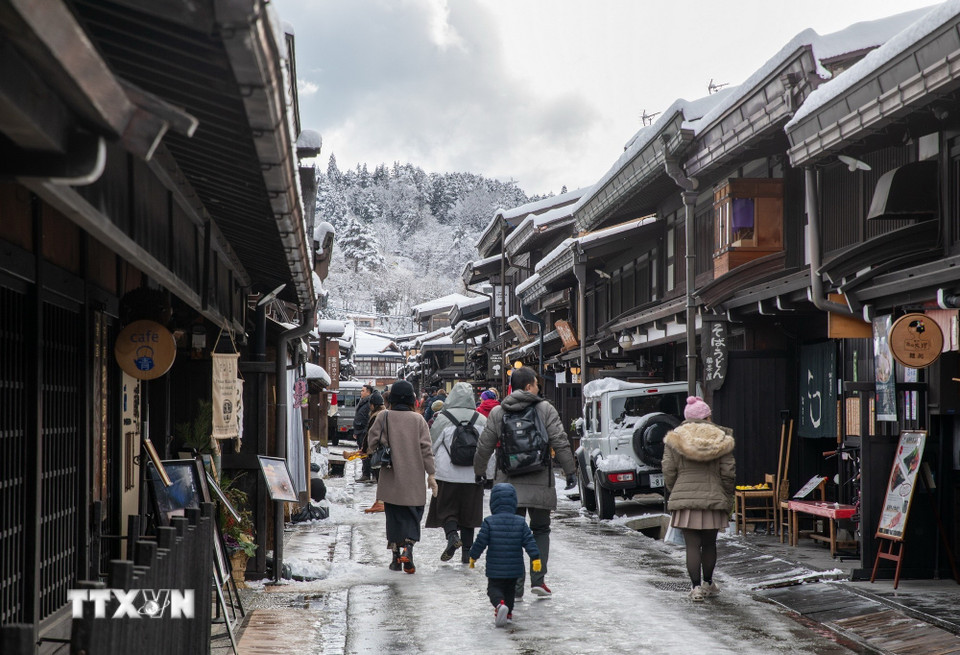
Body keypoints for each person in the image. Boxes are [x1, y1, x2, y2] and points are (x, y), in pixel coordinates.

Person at [473, 367, 576, 600]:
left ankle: (516, 587)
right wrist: (570, 471)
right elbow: (560, 440)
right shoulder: (545, 409)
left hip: (509, 484)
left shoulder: (499, 412)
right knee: (540, 529)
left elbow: (484, 446)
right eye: (537, 384)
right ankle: (538, 580)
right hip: (540, 478)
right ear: (529, 386)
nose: (539, 388)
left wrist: (479, 472)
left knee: (512, 534)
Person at [661, 396, 736, 602]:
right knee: (709, 544)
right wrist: (727, 494)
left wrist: (676, 489)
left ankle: (695, 588)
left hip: (685, 498)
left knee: (692, 545)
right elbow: (728, 471)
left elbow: (668, 469)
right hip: (713, 498)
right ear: (707, 416)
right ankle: (708, 583)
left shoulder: (675, 438)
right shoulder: (720, 437)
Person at [366, 380, 438, 573]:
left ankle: (396, 557)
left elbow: (371, 442)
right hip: (414, 478)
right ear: (412, 400)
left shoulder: (384, 416)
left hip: (390, 477)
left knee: (394, 516)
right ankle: (408, 546)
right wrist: (431, 474)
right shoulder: (418, 420)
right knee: (413, 514)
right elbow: (426, 449)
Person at [426, 382, 495, 563]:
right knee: (469, 515)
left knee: (445, 509)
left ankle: (452, 536)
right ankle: (467, 553)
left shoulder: (443, 418)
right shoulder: (480, 419)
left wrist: (429, 470)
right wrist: (488, 474)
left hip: (446, 475)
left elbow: (431, 446)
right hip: (473, 475)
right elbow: (488, 449)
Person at [468, 483, 541, 627]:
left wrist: (473, 556)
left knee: (493, 589)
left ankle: (500, 605)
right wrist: (536, 558)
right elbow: (529, 541)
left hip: (495, 568)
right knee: (510, 591)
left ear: (493, 503)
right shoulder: (520, 522)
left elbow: (480, 542)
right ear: (514, 502)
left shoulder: (489, 522)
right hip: (515, 569)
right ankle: (508, 614)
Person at [363, 391, 386, 513]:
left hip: (378, 451)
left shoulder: (376, 416)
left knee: (380, 478)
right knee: (383, 478)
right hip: (385, 451)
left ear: (373, 405)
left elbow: (370, 435)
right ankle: (381, 501)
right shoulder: (385, 413)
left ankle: (381, 502)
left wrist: (366, 449)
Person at [354, 385, 375, 482]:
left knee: (366, 453)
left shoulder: (369, 403)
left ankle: (368, 474)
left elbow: (369, 419)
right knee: (363, 453)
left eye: (363, 391)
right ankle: (365, 473)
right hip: (359, 430)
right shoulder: (362, 402)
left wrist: (365, 431)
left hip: (364, 431)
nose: (361, 392)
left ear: (368, 392)